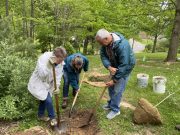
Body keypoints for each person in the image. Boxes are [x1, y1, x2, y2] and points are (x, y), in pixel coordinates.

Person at [95, 29, 135, 120]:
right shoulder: (105, 44)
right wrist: (109, 66)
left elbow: (124, 64)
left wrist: (115, 80)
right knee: (110, 87)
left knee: (117, 89)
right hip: (114, 67)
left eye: (101, 43)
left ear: (106, 38)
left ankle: (115, 110)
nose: (100, 45)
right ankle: (111, 104)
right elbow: (103, 55)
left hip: (125, 68)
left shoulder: (122, 45)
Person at [28, 47, 67, 126]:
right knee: (48, 100)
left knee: (44, 99)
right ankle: (53, 118)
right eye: (60, 60)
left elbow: (59, 75)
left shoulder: (61, 62)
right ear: (55, 56)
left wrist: (57, 86)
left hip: (48, 83)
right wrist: (49, 65)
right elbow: (42, 75)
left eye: (63, 60)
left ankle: (40, 115)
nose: (61, 62)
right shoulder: (43, 58)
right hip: (38, 82)